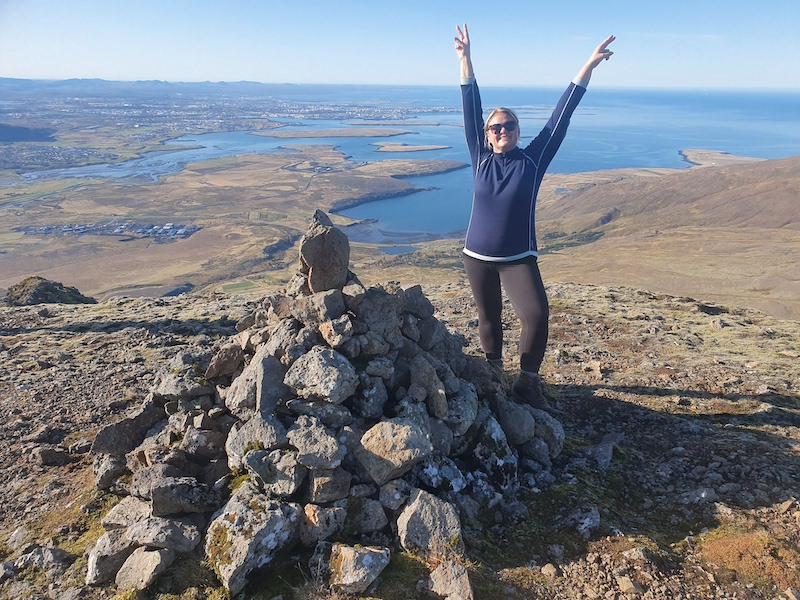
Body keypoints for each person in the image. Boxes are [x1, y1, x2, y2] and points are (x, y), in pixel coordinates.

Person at [454, 23, 615, 408]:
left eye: (509, 125)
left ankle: (527, 383)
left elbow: (563, 113)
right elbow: (469, 104)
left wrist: (587, 67)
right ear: (487, 134)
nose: (502, 130)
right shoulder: (479, 157)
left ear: (518, 130)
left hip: (517, 259)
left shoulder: (534, 158)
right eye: (495, 127)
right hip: (476, 257)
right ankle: (494, 377)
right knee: (488, 321)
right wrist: (466, 60)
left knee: (536, 315)